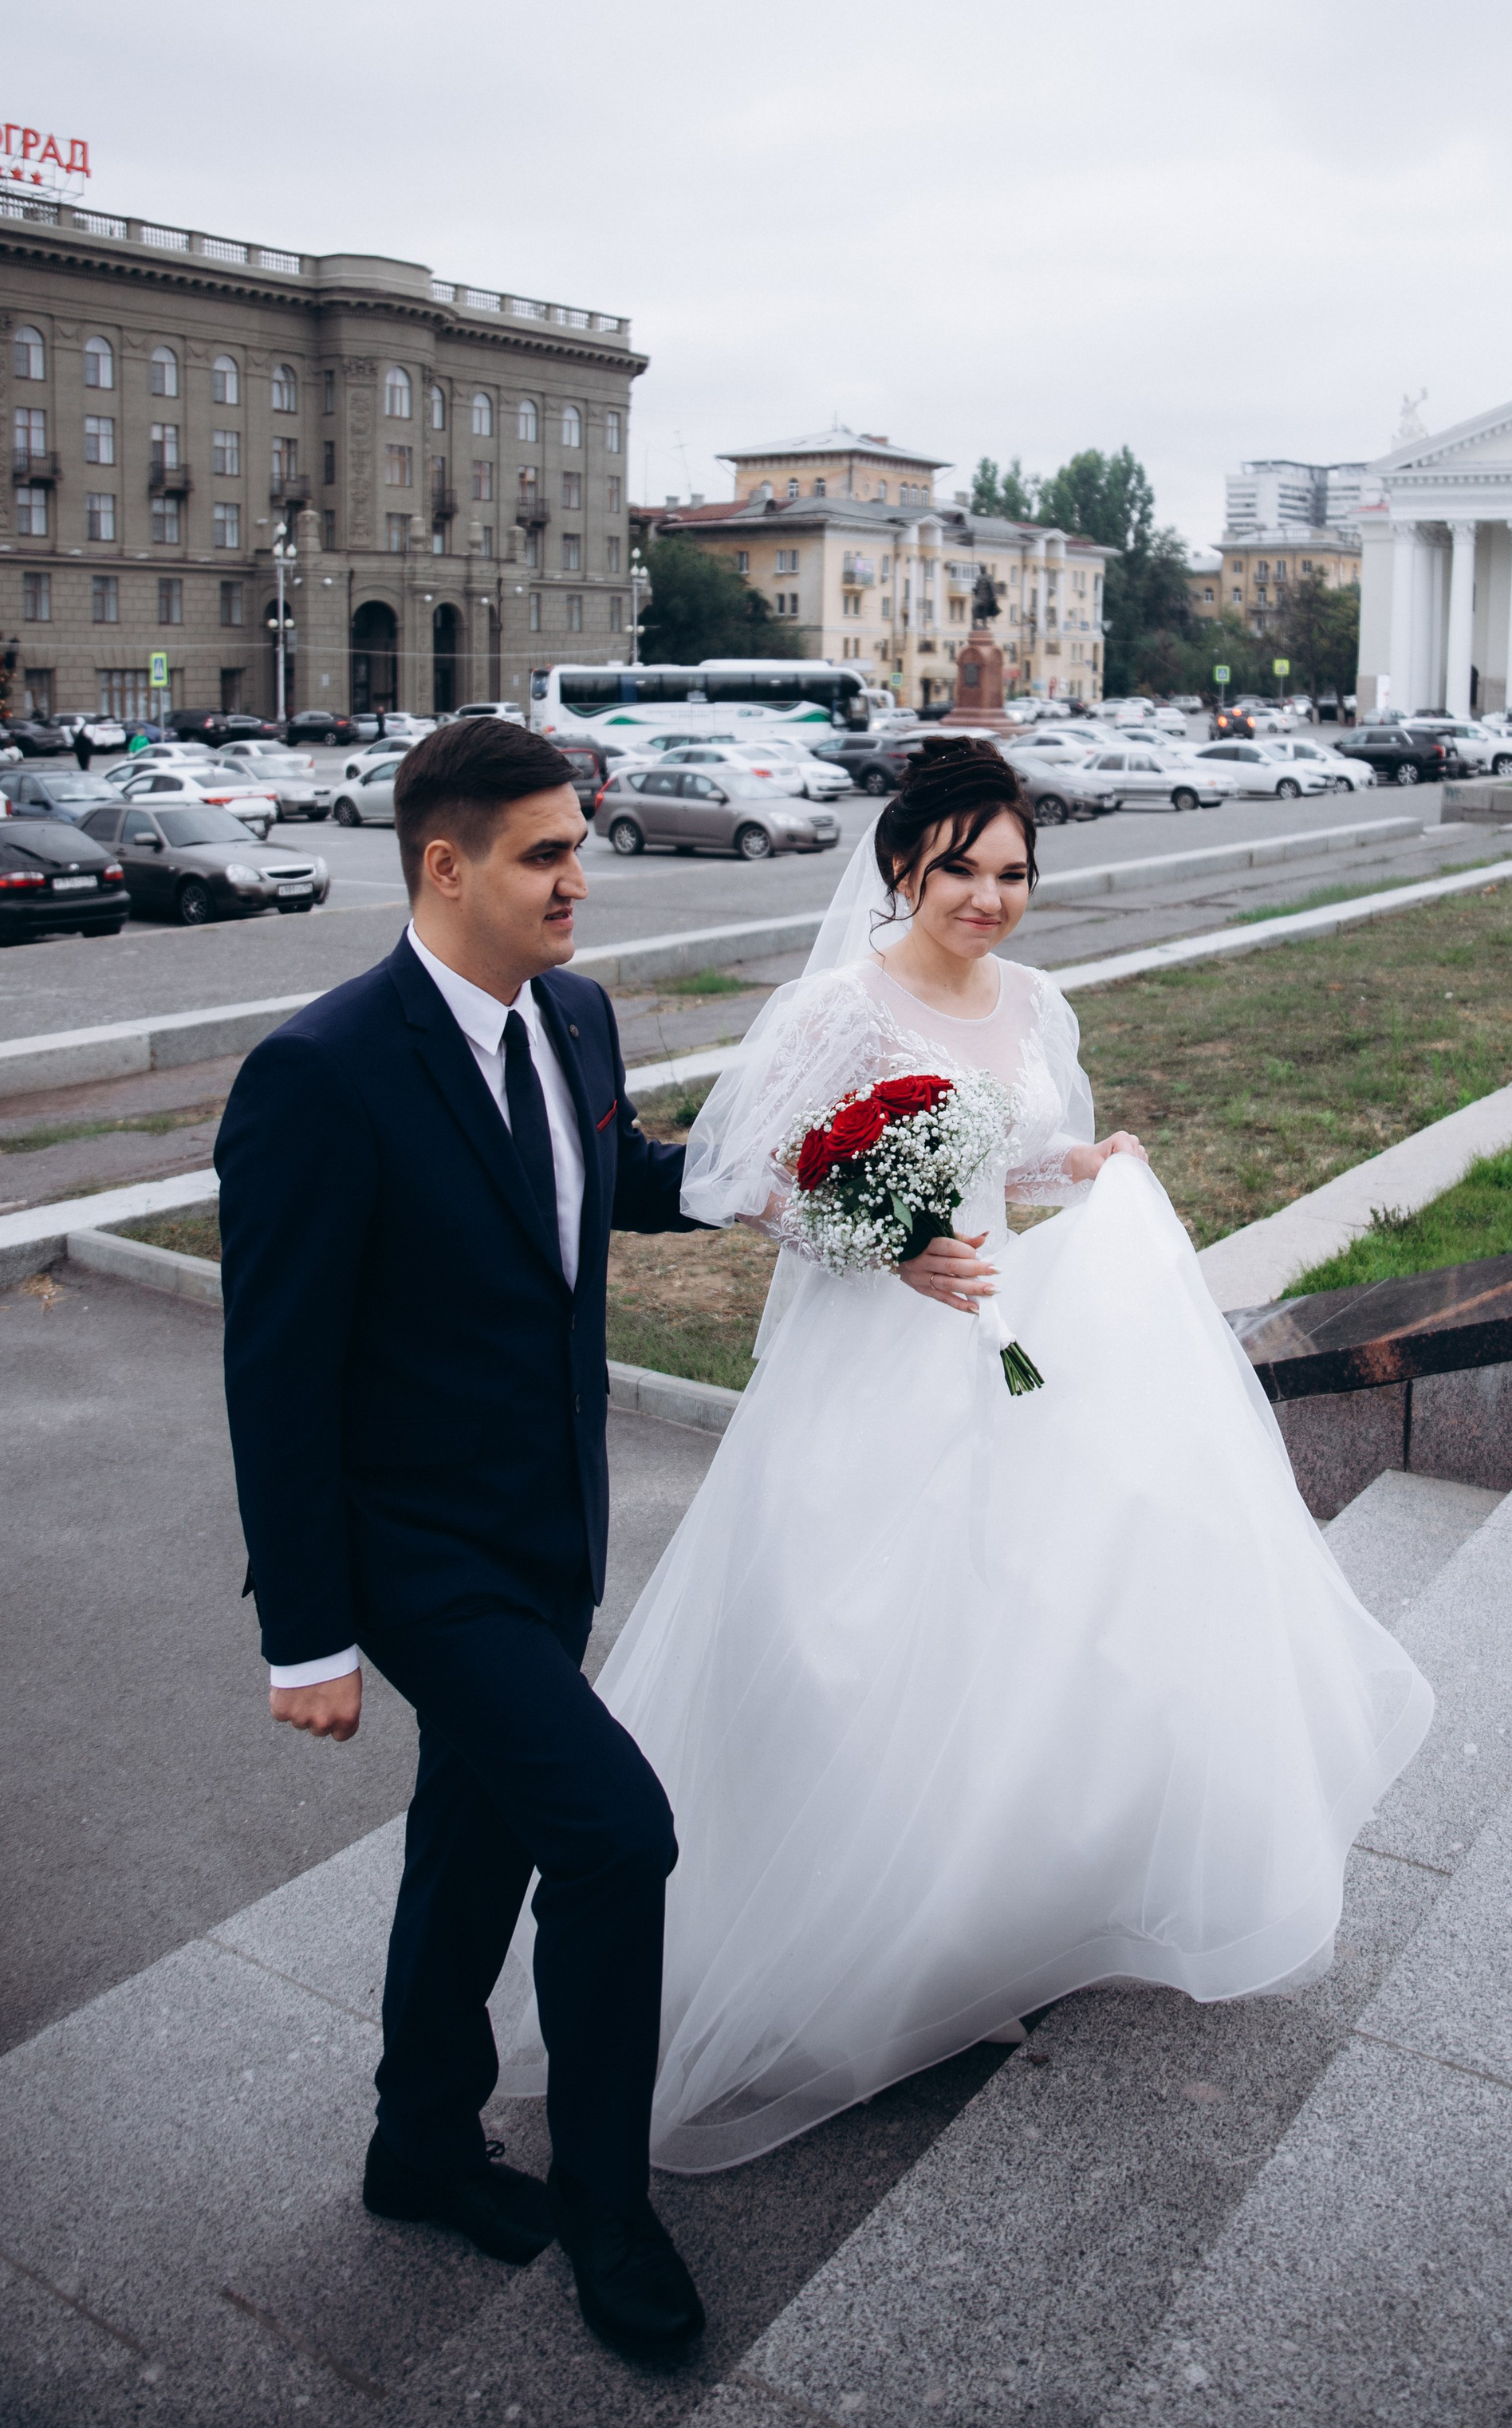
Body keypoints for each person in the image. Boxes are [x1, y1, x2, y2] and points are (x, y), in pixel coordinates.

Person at [497, 739, 1433, 2171]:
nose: (989, 900)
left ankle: (978, 1937)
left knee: (1020, 1638)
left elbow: (1022, 1149)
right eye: (961, 873)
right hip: (875, 1363)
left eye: (1012, 874)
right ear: (900, 869)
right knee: (859, 1651)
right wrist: (873, 1238)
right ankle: (839, 1962)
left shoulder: (1036, 999)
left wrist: (1088, 1164)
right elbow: (737, 1179)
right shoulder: (838, 1010)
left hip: (1012, 1353)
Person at [217, 717, 711, 2368]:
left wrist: (784, 1169)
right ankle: (604, 2204)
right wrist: (308, 1636)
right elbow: (275, 1374)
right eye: (547, 854)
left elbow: (600, 1181)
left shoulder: (569, 1013)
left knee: (474, 1844)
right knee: (615, 1830)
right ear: (446, 864)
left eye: (580, 844)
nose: (583, 876)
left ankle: (417, 2146)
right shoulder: (320, 1072)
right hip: (417, 1551)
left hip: (550, 1525)